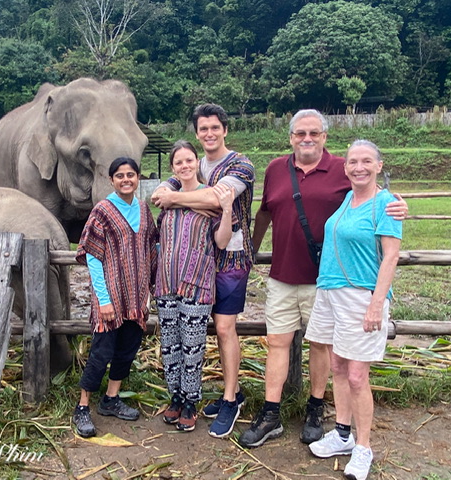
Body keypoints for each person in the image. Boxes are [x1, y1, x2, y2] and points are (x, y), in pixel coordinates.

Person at [244, 110, 407, 449]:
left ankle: (316, 408)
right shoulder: (276, 169)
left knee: (323, 347)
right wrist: (251, 251)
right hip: (282, 275)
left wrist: (397, 203)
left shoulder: (342, 168)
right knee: (277, 343)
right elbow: (264, 212)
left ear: (324, 137)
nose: (307, 138)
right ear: (290, 137)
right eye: (300, 133)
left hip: (326, 281)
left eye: (314, 133)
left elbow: (370, 191)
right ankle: (271, 411)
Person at [152, 104, 255, 438]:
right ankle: (191, 394)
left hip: (230, 259)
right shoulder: (191, 165)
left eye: (215, 127)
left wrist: (175, 198)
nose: (209, 133)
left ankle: (230, 398)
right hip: (189, 266)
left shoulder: (240, 165)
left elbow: (213, 199)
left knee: (224, 329)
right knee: (185, 334)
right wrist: (170, 193)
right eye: (203, 129)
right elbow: (162, 192)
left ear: (225, 128)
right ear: (196, 135)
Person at [306, 140, 402, 480]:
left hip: (361, 296)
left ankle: (364, 447)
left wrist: (377, 303)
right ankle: (343, 434)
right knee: (337, 365)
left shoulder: (386, 204)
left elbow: (390, 255)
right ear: (345, 168)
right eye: (352, 162)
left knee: (358, 376)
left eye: (366, 162)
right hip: (331, 292)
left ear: (379, 165)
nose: (358, 167)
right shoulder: (349, 197)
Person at [72, 157, 158, 438]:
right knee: (101, 352)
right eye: (119, 175)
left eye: (130, 175)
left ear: (138, 178)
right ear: (112, 180)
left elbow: (152, 249)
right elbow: (93, 256)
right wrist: (104, 299)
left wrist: (151, 289)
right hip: (110, 295)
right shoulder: (103, 211)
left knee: (127, 350)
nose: (125, 180)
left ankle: (111, 399)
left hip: (136, 297)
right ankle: (83, 406)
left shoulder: (144, 210)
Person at [156, 140, 235, 432]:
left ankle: (191, 401)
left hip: (197, 284)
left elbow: (222, 242)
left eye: (189, 160)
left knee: (192, 347)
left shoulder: (209, 199)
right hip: (166, 283)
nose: (185, 166)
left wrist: (226, 210)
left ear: (196, 163)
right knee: (170, 346)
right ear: (174, 168)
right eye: (179, 162)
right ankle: (175, 397)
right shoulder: (166, 200)